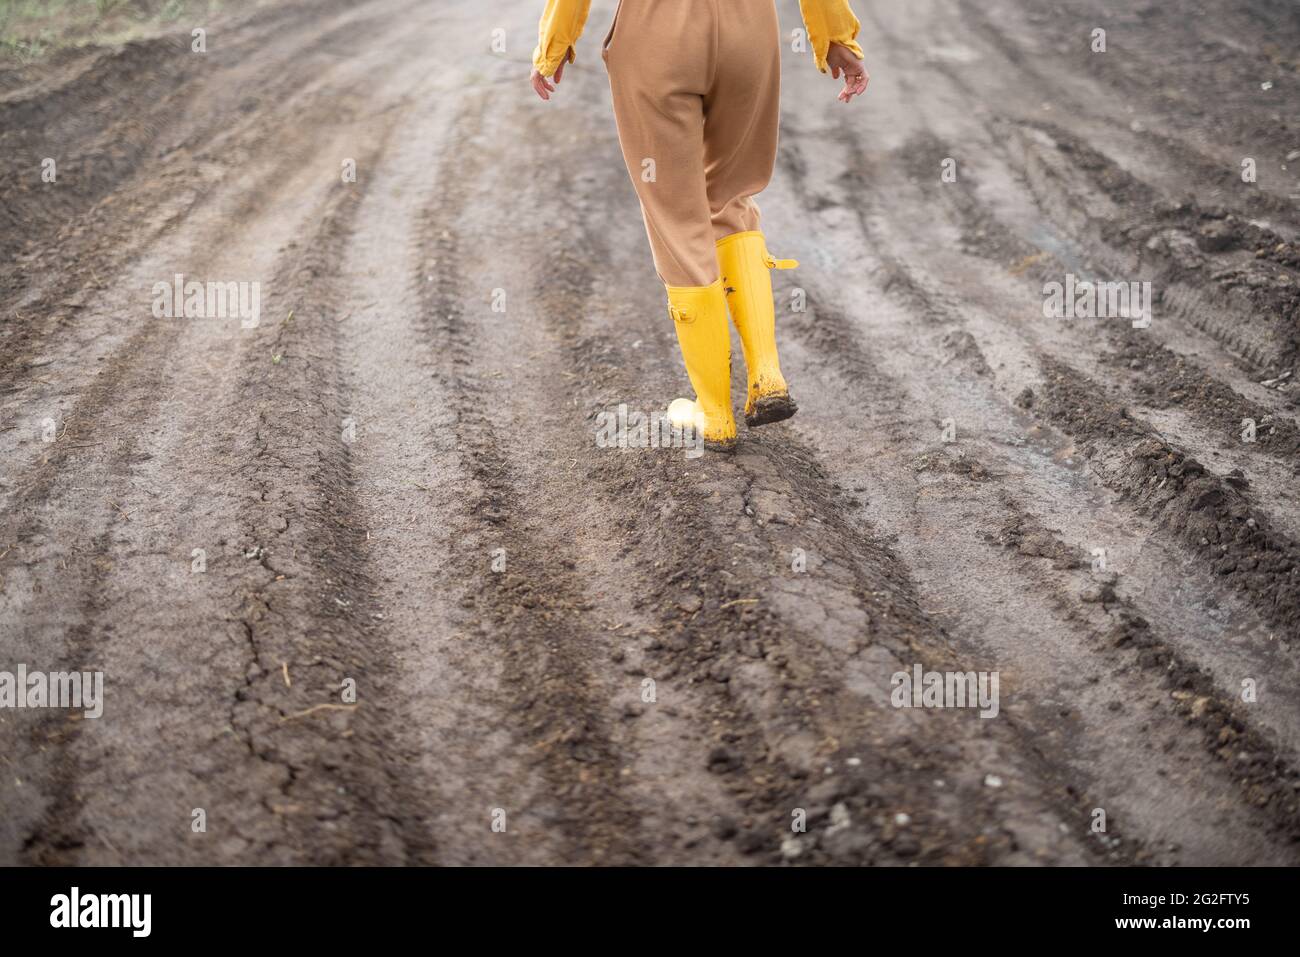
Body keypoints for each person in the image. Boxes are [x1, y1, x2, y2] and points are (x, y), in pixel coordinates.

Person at [531, 0, 868, 447]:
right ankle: (766, 373)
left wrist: (554, 45)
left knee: (676, 217)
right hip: (748, 32)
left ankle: (714, 415)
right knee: (731, 195)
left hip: (658, 35)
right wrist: (835, 38)